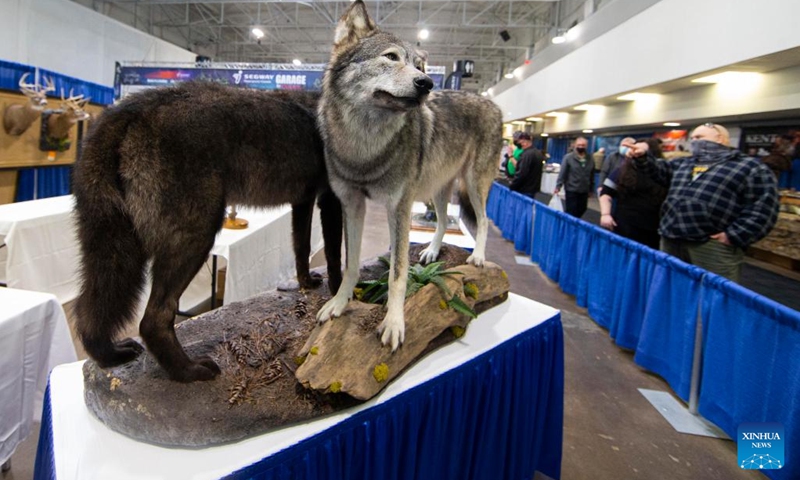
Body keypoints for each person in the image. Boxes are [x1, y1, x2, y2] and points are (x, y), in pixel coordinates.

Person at [627, 123, 780, 283]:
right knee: (670, 286)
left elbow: (763, 208)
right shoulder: (686, 163)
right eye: (692, 138)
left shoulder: (750, 167)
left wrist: (733, 236)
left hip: (710, 244)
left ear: (720, 138)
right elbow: (660, 170)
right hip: (672, 238)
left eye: (699, 137)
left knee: (711, 293)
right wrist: (642, 157)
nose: (694, 142)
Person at [599, 138, 667, 249]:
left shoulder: (663, 172)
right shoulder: (621, 170)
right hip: (625, 225)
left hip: (652, 229)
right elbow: (606, 193)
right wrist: (605, 214)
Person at [554, 137, 593, 218]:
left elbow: (591, 174)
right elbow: (563, 172)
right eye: (579, 145)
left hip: (584, 190)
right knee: (571, 210)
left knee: (582, 209)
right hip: (571, 189)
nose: (581, 147)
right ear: (575, 145)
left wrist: (591, 189)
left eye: (583, 145)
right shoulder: (568, 157)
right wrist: (558, 186)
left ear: (586, 146)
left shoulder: (590, 158)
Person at [509, 132, 545, 198]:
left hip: (523, 189)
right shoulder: (538, 153)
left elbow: (522, 173)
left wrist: (512, 185)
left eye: (521, 143)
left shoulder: (526, 155)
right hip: (533, 189)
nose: (520, 145)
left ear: (525, 142)